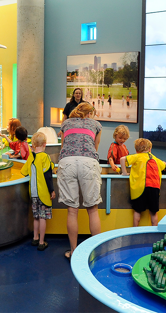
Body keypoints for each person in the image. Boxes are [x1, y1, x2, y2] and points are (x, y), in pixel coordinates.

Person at [58, 102, 102, 260]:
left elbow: (63, 146)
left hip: (67, 162)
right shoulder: (96, 125)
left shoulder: (66, 123)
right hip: (88, 162)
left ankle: (74, 252)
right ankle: (97, 253)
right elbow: (95, 147)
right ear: (90, 113)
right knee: (93, 210)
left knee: (72, 211)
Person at [120, 139, 166, 227]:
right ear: (150, 149)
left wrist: (124, 173)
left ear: (137, 150)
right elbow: (164, 165)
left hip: (141, 188)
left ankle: (135, 230)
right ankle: (154, 232)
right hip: (154, 187)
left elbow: (122, 159)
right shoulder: (154, 158)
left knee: (137, 211)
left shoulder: (137, 156)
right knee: (153, 213)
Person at [21, 132, 55, 251]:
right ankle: (41, 242)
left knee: (36, 217)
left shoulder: (31, 157)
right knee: (42, 218)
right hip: (43, 193)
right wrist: (52, 190)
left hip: (33, 193)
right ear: (45, 144)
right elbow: (47, 175)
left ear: (33, 145)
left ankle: (35, 238)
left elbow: (24, 171)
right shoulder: (45, 157)